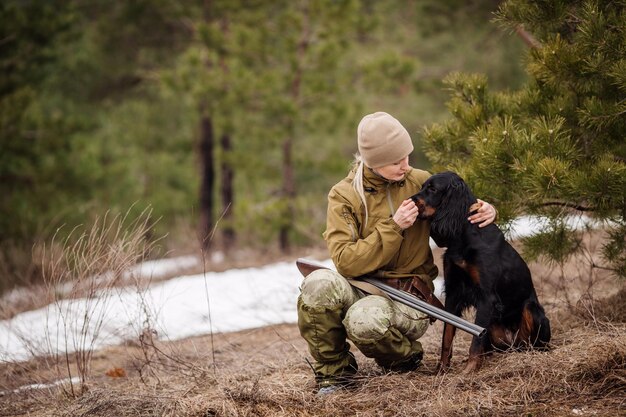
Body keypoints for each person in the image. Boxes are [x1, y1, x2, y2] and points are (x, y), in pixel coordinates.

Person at [297, 112, 497, 395]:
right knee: (317, 284)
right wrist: (394, 227)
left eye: (407, 156)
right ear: (373, 161)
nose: (406, 166)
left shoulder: (421, 181)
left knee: (364, 320)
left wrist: (486, 211)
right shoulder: (344, 195)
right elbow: (345, 262)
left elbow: (452, 229)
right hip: (362, 286)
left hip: (410, 295)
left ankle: (405, 358)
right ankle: (335, 375)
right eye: (395, 161)